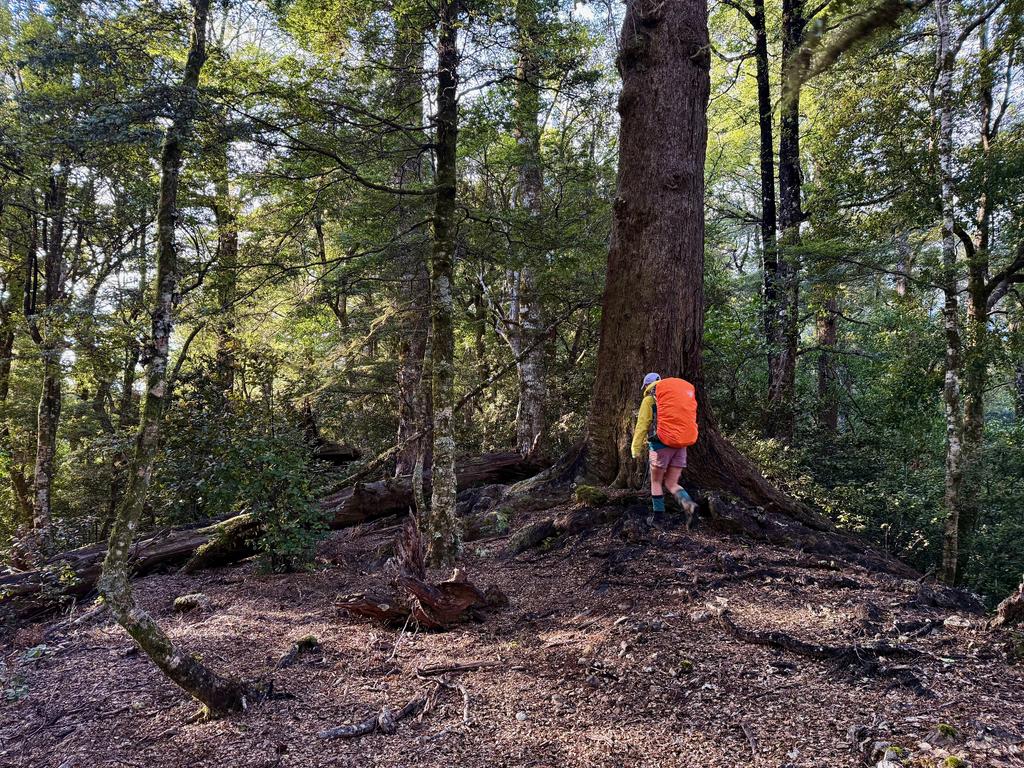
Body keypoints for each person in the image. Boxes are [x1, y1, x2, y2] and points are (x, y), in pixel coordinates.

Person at [630, 372, 698, 527]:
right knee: (672, 482)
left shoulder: (649, 400)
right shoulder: (675, 397)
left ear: (647, 385)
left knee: (656, 481)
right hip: (680, 444)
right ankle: (690, 505)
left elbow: (642, 425)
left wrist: (636, 448)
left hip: (660, 445)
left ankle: (658, 519)